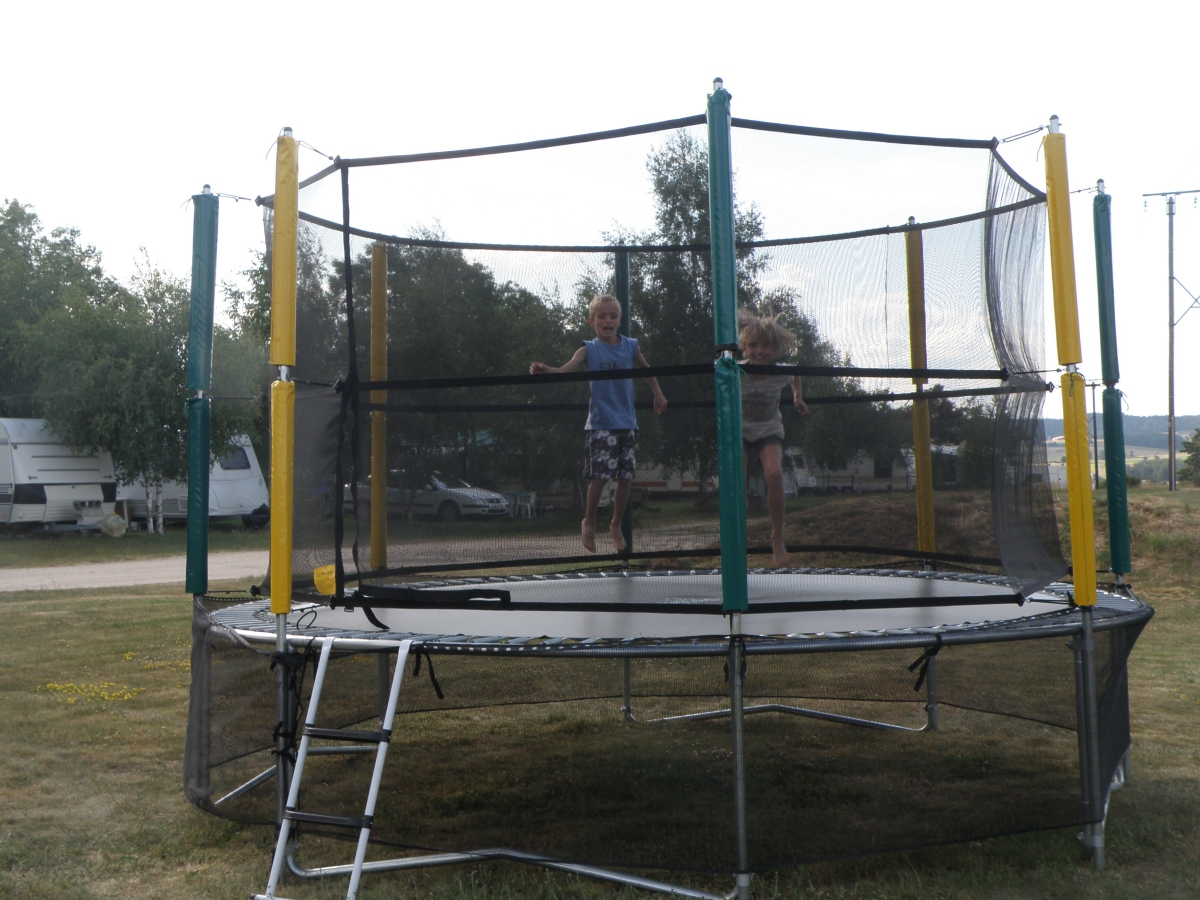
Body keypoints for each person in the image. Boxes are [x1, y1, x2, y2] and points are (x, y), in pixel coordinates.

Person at [530, 294, 667, 552]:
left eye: (613, 316)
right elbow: (567, 369)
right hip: (601, 423)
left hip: (627, 422)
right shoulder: (588, 349)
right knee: (600, 476)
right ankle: (590, 521)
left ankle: (616, 523)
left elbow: (647, 370)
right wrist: (547, 370)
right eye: (602, 316)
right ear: (592, 321)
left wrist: (658, 393)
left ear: (619, 321)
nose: (608, 321)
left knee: (625, 476)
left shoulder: (631, 346)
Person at [739, 309, 808, 568]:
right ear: (745, 348)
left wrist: (797, 397)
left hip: (768, 427)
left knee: (774, 474)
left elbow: (796, 374)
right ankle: (737, 538)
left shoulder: (781, 372)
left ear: (774, 348)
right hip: (740, 428)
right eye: (753, 345)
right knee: (737, 480)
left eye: (765, 345)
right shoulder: (735, 370)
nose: (759, 351)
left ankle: (777, 538)